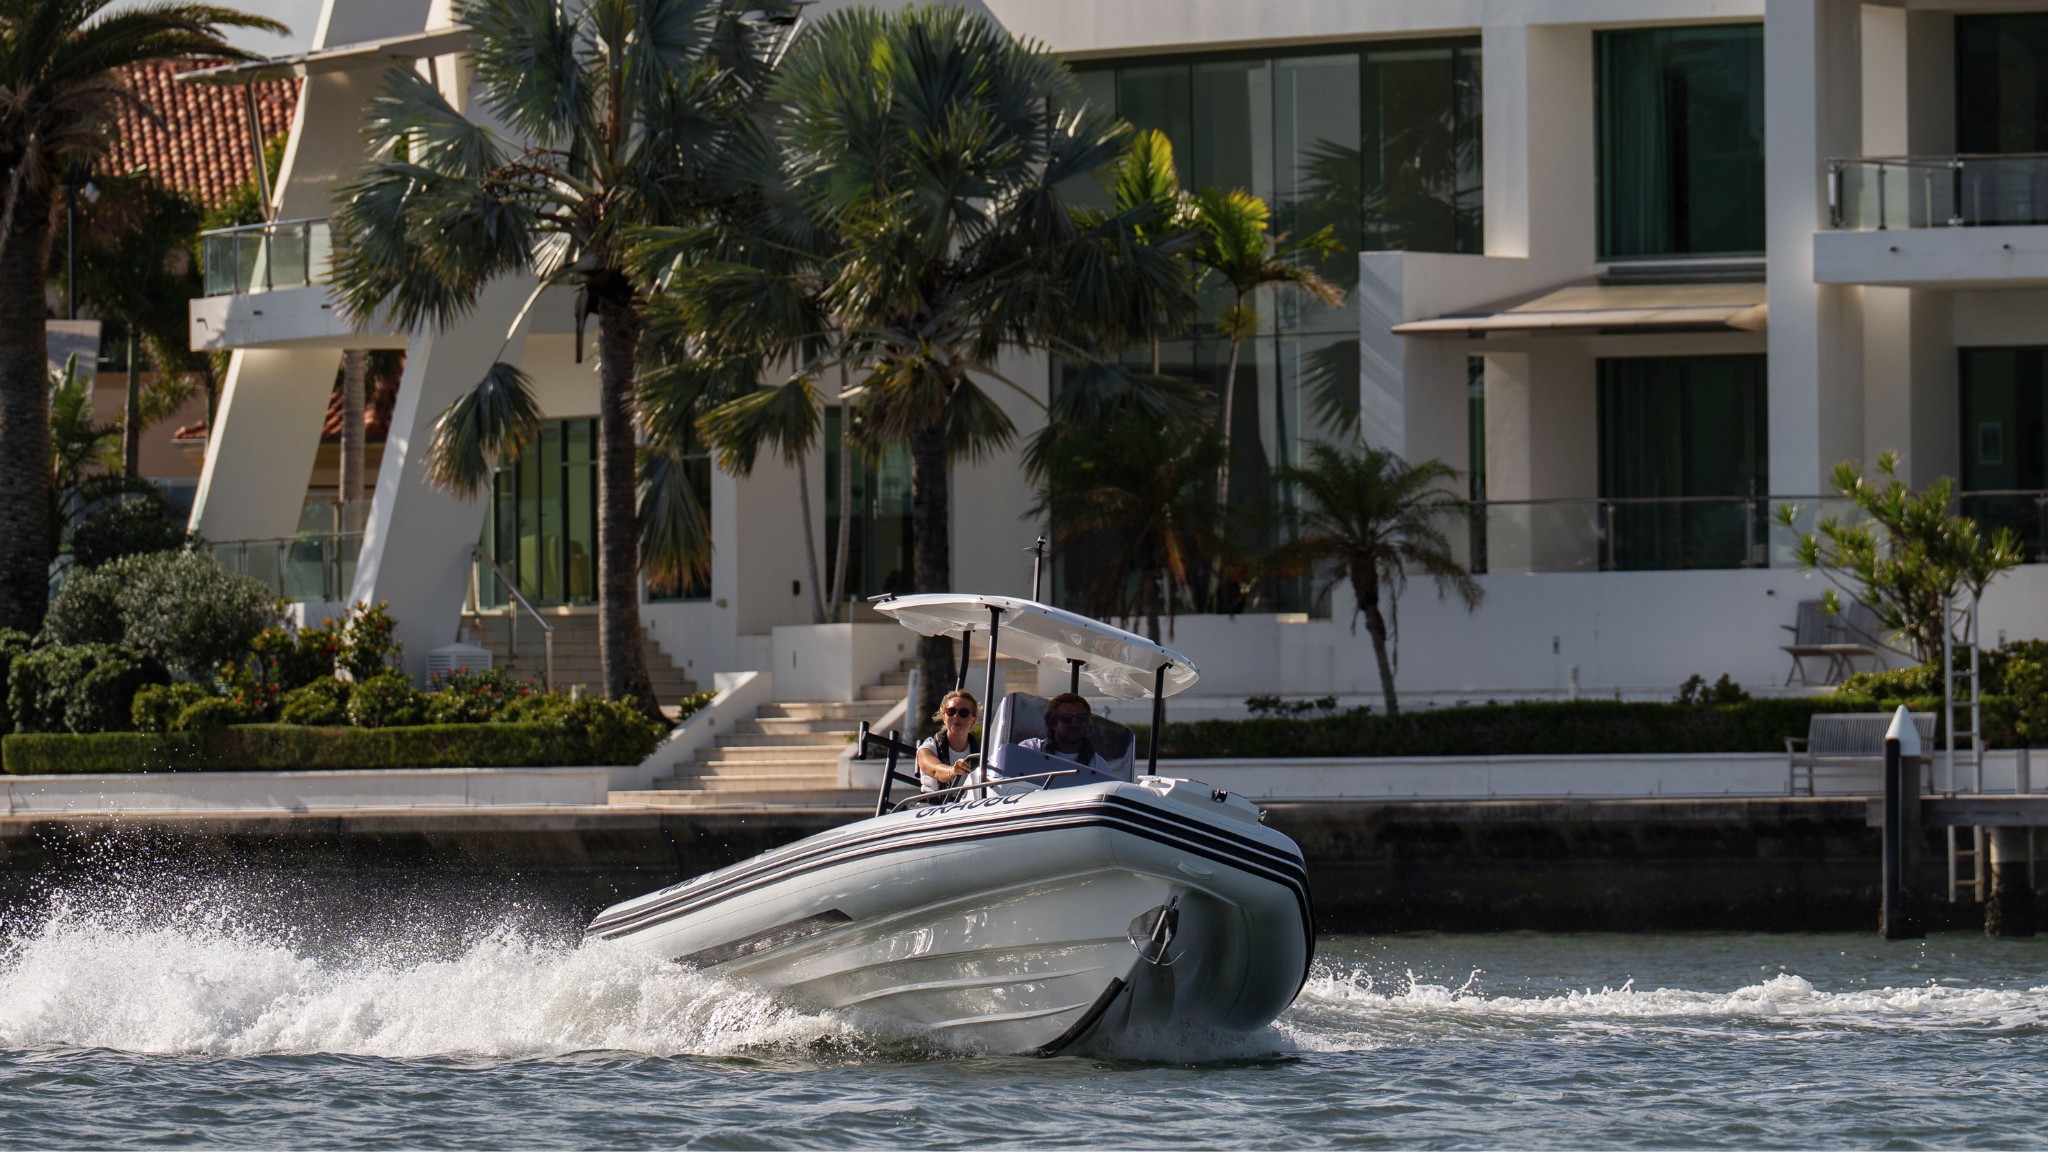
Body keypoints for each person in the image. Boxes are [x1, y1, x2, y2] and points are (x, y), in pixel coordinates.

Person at [1017, 691, 1117, 775]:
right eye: (1067, 719)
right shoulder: (1031, 749)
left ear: (1087, 724)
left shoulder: (1099, 767)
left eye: (1080, 718)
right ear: (1053, 723)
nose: (1074, 724)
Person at [916, 689, 981, 791]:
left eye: (963, 713)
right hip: (935, 806)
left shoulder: (982, 751)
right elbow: (936, 770)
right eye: (951, 711)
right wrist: (953, 771)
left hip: (971, 805)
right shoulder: (928, 748)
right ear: (944, 717)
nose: (956, 716)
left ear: (973, 720)